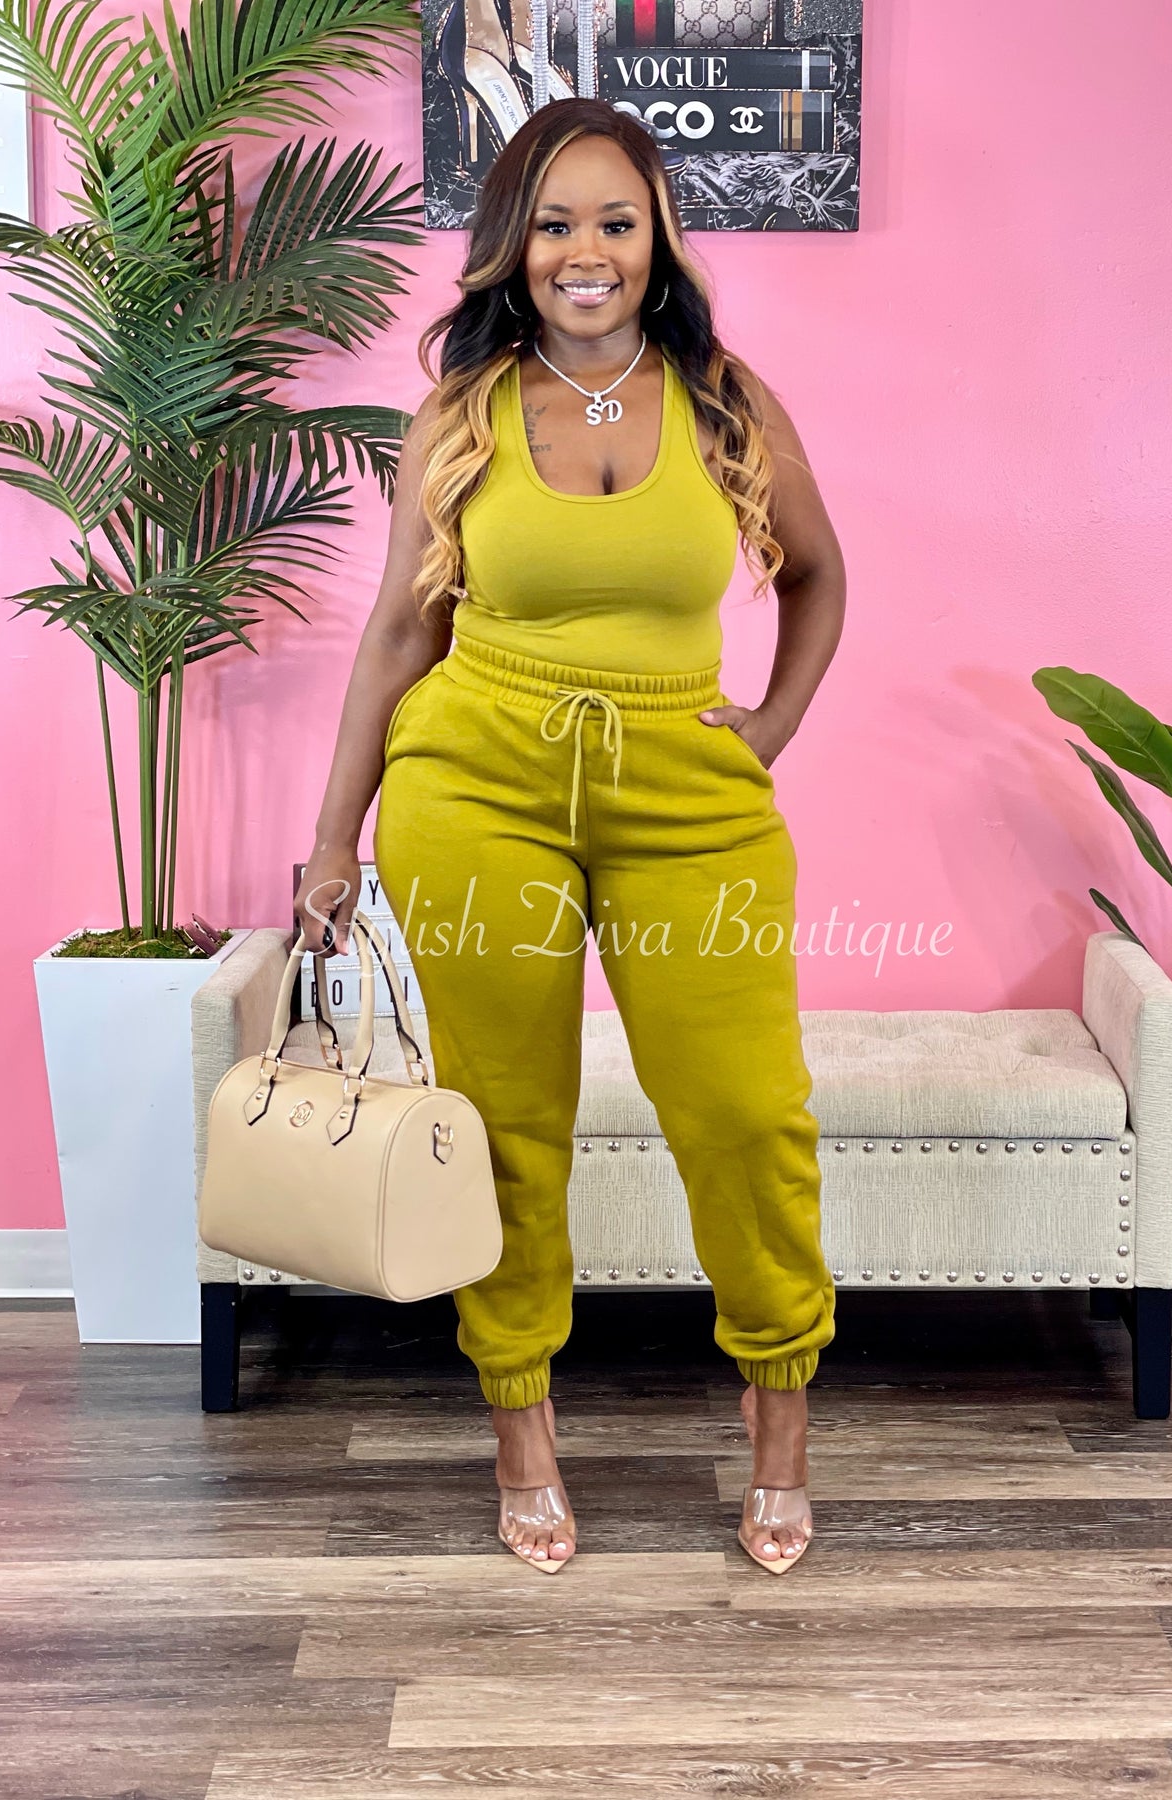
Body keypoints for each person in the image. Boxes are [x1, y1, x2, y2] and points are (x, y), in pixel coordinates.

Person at [293, 97, 847, 1576]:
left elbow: (818, 576)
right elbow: (399, 632)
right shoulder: (462, 413)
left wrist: (766, 730)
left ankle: (779, 1415)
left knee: (744, 1113)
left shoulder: (722, 398)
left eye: (615, 220)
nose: (584, 251)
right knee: (505, 1125)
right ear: (512, 245)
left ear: (656, 238)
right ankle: (521, 1427)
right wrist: (333, 844)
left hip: (685, 796)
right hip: (477, 782)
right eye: (552, 224)